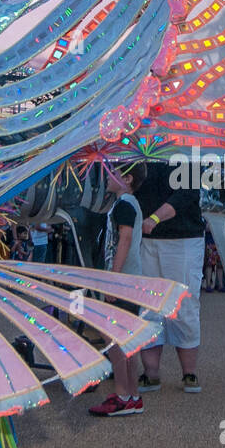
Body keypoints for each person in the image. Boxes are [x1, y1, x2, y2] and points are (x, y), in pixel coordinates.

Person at [131, 160, 204, 392]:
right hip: (146, 240)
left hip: (183, 238)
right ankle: (151, 373)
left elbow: (187, 193)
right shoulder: (140, 152)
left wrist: (154, 219)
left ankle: (189, 373)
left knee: (183, 305)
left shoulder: (189, 153)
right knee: (147, 307)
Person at [89, 165, 146, 416]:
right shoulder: (130, 204)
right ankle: (132, 395)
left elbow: (124, 238)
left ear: (127, 178)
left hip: (121, 282)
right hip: (131, 281)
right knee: (127, 340)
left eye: (113, 172)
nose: (107, 177)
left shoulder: (124, 204)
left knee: (114, 338)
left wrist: (112, 278)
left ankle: (123, 395)